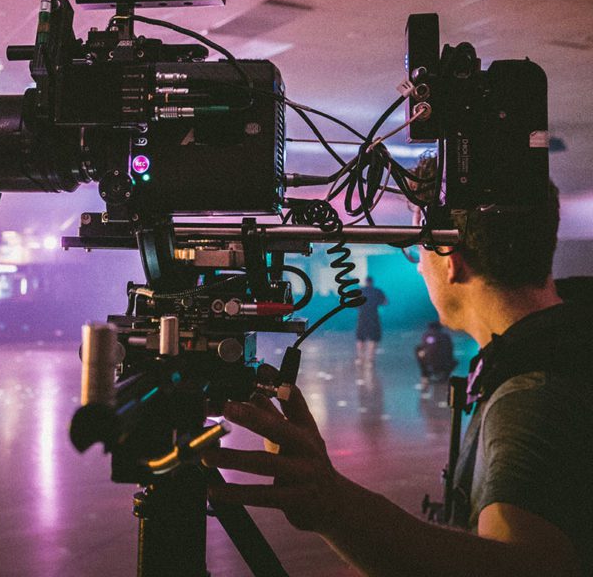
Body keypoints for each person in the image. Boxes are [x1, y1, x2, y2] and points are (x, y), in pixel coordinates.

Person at [204, 162, 593, 576]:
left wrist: (333, 504)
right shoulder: (567, 343)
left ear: (450, 259)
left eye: (417, 251)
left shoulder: (531, 397)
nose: (419, 267)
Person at [355, 275, 387, 367]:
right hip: (374, 317)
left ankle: (360, 358)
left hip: (362, 317)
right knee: (373, 338)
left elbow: (353, 304)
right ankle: (370, 360)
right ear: (372, 282)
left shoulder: (359, 291)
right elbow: (385, 302)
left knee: (360, 338)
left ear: (365, 282)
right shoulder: (377, 291)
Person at [415, 319, 457, 389]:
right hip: (444, 362)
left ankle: (426, 374)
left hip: (434, 361)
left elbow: (428, 347)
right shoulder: (445, 336)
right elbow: (450, 350)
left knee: (418, 350)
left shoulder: (428, 336)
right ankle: (443, 376)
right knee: (453, 362)